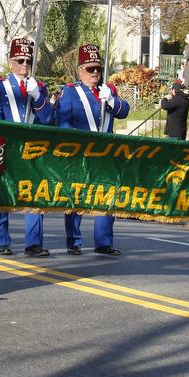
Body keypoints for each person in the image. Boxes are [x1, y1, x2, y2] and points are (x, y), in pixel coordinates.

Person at [56, 44, 130, 256]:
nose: (95, 72)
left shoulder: (108, 91)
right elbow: (63, 121)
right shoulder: (70, 92)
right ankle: (74, 241)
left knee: (106, 196)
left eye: (98, 68)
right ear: (80, 70)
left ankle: (104, 241)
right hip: (79, 153)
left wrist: (112, 100)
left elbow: (124, 111)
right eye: (90, 68)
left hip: (105, 154)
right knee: (76, 198)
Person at [0, 37, 54, 257]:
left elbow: (48, 120)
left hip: (32, 148)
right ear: (10, 61)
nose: (25, 65)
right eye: (20, 60)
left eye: (28, 61)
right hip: (6, 146)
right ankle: (2, 240)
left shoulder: (39, 87)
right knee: (2, 194)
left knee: (34, 194)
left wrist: (37, 98)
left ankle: (33, 243)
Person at [161, 70, 189, 139]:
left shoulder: (177, 100)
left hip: (174, 134)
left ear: (174, 90)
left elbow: (164, 106)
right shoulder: (184, 99)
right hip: (180, 132)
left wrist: (165, 98)